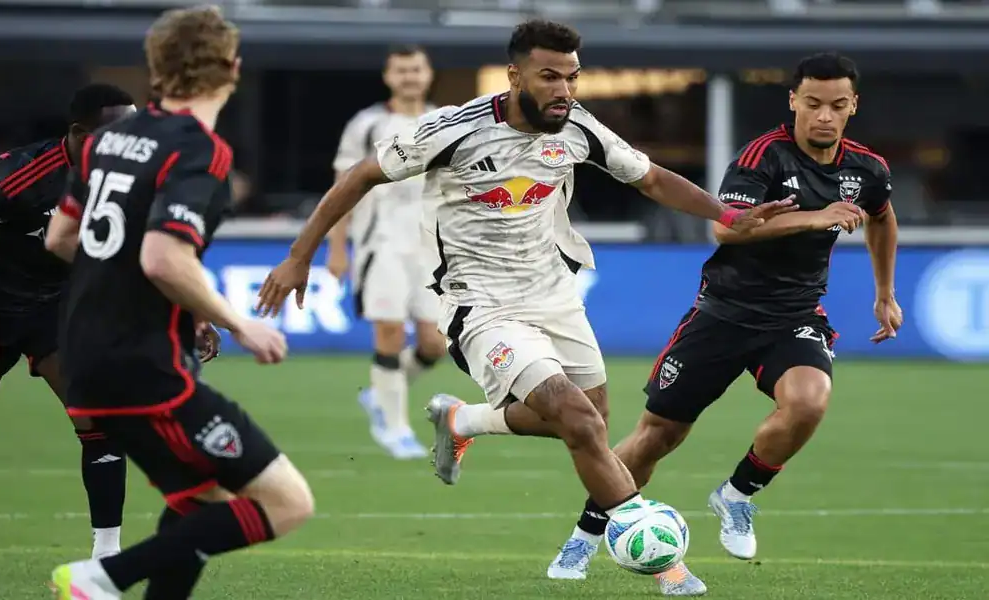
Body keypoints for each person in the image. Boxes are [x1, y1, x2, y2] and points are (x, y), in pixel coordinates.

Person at [256, 18, 789, 593]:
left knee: (590, 418)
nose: (564, 90)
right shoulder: (452, 129)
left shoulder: (579, 128)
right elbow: (361, 175)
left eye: (573, 77)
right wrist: (299, 256)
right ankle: (664, 562)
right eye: (549, 77)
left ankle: (465, 419)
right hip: (478, 301)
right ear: (515, 75)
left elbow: (652, 179)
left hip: (553, 293)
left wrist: (726, 215)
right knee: (580, 422)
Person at [544, 52, 901, 593]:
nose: (823, 116)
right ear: (793, 103)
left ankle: (738, 494)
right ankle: (586, 535)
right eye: (812, 104)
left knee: (808, 401)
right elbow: (727, 231)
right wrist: (815, 217)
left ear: (853, 106)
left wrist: (884, 292)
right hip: (723, 313)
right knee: (658, 436)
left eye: (836, 105)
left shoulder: (867, 169)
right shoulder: (762, 158)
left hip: (795, 315)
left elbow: (881, 217)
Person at [45, 7, 313, 599]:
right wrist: (240, 323)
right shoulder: (201, 151)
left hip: (84, 362)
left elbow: (61, 239)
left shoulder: (105, 140)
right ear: (232, 68)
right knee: (288, 503)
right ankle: (100, 578)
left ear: (158, 68)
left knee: (201, 504)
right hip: (146, 368)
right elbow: (163, 259)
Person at [0, 83, 136, 559]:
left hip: (54, 311)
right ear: (82, 134)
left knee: (100, 415)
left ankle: (107, 557)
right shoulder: (16, 174)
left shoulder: (128, 178)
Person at [328, 44, 443, 459]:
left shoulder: (445, 120)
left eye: (416, 68)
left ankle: (380, 395)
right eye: (402, 70)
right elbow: (342, 188)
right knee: (389, 331)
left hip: (432, 247)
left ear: (428, 73)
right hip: (382, 242)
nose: (410, 76)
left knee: (435, 344)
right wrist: (337, 247)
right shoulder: (367, 124)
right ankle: (396, 429)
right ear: (388, 76)